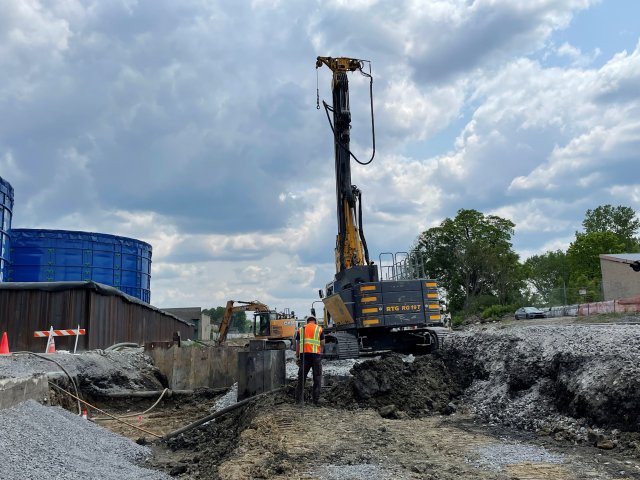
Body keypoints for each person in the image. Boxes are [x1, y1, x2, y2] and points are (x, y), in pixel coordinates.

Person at [295, 315, 325, 405]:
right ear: (315, 321)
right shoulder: (319, 329)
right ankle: (315, 401)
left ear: (307, 321)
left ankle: (299, 401)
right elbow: (322, 343)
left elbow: (298, 344)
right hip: (316, 356)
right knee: (317, 378)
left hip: (304, 356)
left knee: (301, 378)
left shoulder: (301, 329)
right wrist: (321, 352)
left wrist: (297, 356)